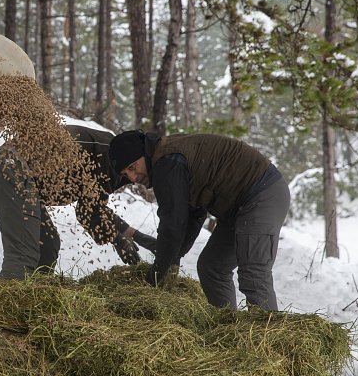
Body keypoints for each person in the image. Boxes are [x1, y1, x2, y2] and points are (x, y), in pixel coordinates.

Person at [108, 131, 290, 311]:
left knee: (253, 273)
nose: (133, 178)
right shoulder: (167, 159)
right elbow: (193, 215)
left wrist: (155, 275)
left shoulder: (167, 162)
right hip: (238, 207)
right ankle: (226, 327)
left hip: (262, 193)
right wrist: (173, 258)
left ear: (143, 153)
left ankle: (270, 336)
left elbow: (173, 224)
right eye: (126, 174)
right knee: (212, 267)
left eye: (132, 167)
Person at [0, 124, 158, 279]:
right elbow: (89, 213)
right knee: (24, 253)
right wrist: (119, 241)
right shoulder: (111, 155)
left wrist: (138, 238)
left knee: (47, 247)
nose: (134, 178)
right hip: (10, 169)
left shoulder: (120, 160)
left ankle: (32, 303)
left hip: (21, 178)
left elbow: (94, 206)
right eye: (131, 170)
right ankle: (6, 307)